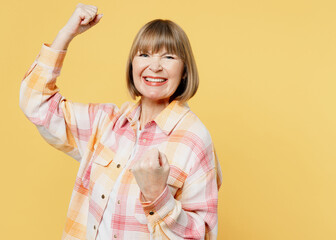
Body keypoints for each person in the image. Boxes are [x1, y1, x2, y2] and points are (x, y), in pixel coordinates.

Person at [19, 3, 222, 239]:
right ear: (132, 65)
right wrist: (67, 33)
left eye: (168, 56)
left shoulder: (194, 139)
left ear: (185, 70)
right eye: (144, 54)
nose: (154, 66)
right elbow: (35, 102)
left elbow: (203, 234)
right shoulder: (106, 124)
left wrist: (159, 198)